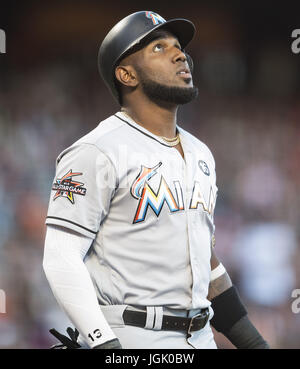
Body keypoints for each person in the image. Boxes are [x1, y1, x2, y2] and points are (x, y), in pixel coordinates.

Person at [43, 11, 269, 349]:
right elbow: (60, 256)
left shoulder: (200, 152)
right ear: (126, 74)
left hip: (201, 335)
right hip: (134, 334)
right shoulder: (97, 150)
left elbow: (203, 261)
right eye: (159, 48)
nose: (180, 54)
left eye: (178, 46)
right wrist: (104, 344)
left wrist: (251, 341)